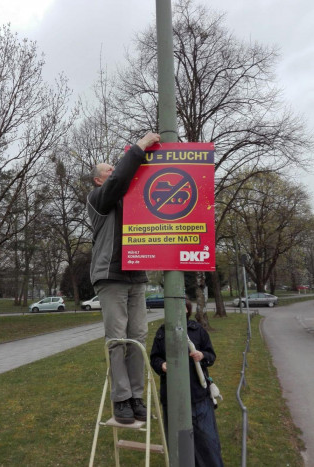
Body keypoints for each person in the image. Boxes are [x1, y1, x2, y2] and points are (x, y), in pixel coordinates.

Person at [87, 132, 161, 424]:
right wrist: (139, 147)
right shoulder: (98, 199)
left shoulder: (133, 200)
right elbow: (119, 179)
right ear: (98, 180)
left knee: (138, 338)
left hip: (136, 277)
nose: (114, 172)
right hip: (111, 276)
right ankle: (121, 399)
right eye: (108, 170)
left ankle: (136, 396)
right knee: (117, 339)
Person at [150, 300, 224, 467]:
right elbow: (154, 357)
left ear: (187, 310)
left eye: (182, 307)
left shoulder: (197, 330)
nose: (177, 310)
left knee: (207, 442)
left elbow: (211, 354)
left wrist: (202, 356)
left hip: (199, 397)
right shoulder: (162, 332)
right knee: (180, 444)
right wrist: (161, 365)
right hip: (173, 398)